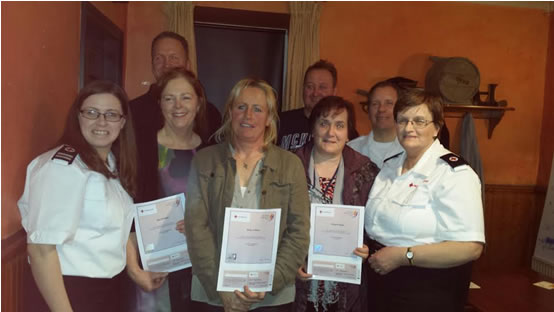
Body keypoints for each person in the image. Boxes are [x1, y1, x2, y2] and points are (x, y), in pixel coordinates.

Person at [185, 78, 311, 311]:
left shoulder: (291, 165)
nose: (248, 115)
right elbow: (196, 228)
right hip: (212, 293)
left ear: (269, 118)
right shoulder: (204, 161)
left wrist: (268, 283)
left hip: (272, 296)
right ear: (230, 112)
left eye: (257, 109)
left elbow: (299, 231)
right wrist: (220, 289)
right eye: (241, 107)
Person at [18, 81, 137, 312]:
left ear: (122, 123)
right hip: (69, 293)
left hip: (108, 291)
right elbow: (41, 250)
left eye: (111, 114)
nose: (101, 122)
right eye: (91, 112)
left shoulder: (112, 163)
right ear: (78, 117)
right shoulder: (61, 167)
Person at [365, 88, 485, 312]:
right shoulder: (389, 167)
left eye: (419, 121)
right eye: (402, 120)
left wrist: (403, 256)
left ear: (437, 128)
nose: (409, 128)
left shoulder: (454, 174)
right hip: (379, 281)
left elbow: (470, 248)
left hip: (425, 289)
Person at [126, 68, 212, 311]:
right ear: (159, 104)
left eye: (186, 97)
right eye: (169, 98)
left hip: (200, 269)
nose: (178, 105)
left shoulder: (211, 152)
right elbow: (127, 215)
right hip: (153, 268)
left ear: (198, 103)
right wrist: (134, 268)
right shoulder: (140, 150)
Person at [293, 96, 380, 312]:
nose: (331, 132)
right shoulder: (290, 166)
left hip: (346, 287)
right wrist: (290, 261)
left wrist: (368, 248)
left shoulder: (366, 172)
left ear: (349, 132)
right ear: (312, 128)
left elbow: (375, 226)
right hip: (296, 283)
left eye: (339, 125)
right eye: (323, 123)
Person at [278, 60, 347, 151]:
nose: (315, 93)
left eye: (322, 87)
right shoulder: (280, 121)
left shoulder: (344, 128)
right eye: (310, 87)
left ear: (334, 91)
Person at [348, 79, 404, 168]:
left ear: (400, 109)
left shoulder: (411, 150)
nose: (381, 109)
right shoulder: (351, 150)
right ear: (368, 110)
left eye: (389, 103)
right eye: (375, 104)